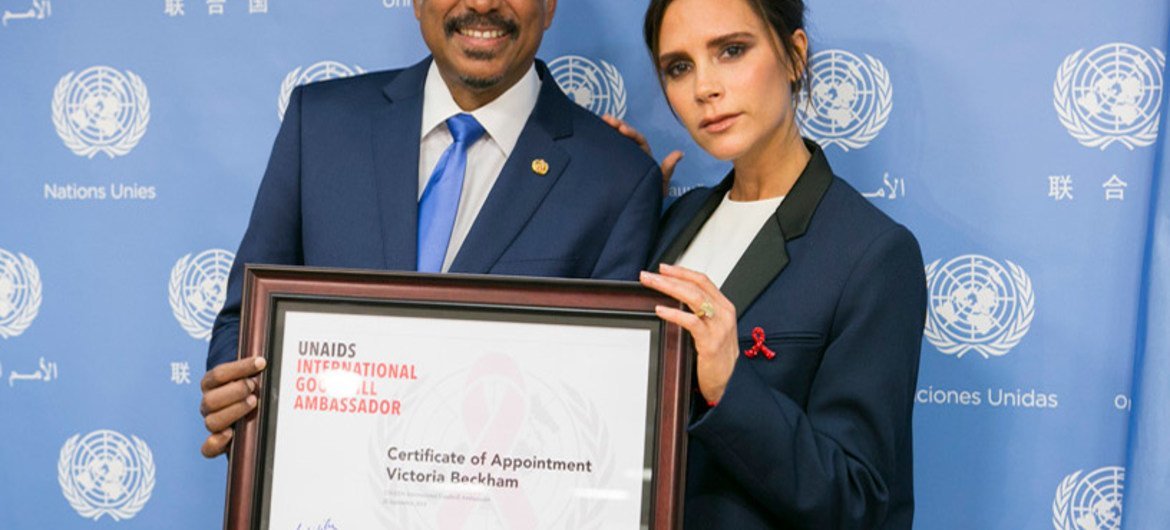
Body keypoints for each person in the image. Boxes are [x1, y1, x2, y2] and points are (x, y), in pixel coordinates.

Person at [198, 0, 663, 458]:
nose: (483, 4)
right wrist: (237, 390)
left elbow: (598, 401)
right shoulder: (320, 123)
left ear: (549, 6)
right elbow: (244, 321)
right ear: (417, 3)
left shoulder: (617, 179)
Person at [617, 0, 926, 527]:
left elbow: (861, 502)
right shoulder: (675, 220)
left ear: (794, 56)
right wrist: (614, 189)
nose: (704, 89)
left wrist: (730, 385)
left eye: (732, 51)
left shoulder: (872, 253)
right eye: (679, 67)